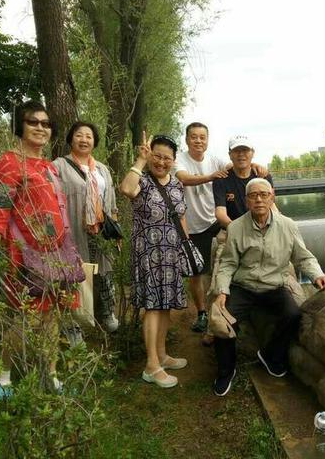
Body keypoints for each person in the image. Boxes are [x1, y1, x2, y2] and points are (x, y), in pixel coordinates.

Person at [0, 100, 80, 398]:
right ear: (19, 126)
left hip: (57, 254)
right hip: (25, 257)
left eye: (45, 124)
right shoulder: (9, 162)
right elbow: (1, 207)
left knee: (52, 317)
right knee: (24, 319)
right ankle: (1, 375)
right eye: (33, 122)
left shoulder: (48, 166)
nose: (40, 128)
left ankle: (51, 375)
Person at [211, 178, 325, 396]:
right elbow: (228, 263)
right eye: (253, 195)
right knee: (224, 322)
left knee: (293, 315)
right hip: (243, 286)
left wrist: (318, 275)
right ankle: (225, 371)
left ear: (272, 197)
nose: (258, 199)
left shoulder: (288, 225)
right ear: (246, 201)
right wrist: (222, 291)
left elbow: (303, 257)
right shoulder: (236, 227)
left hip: (274, 286)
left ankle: (270, 356)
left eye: (263, 194)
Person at [120, 133, 188, 388]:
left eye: (166, 158)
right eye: (156, 156)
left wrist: (186, 249)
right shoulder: (143, 181)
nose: (161, 162)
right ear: (150, 156)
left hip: (171, 254)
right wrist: (139, 161)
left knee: (165, 306)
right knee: (152, 306)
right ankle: (151, 366)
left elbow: (181, 217)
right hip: (148, 253)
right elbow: (126, 189)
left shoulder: (176, 185)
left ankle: (162, 354)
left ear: (173, 160)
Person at [52, 122, 119, 335]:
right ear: (71, 139)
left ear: (94, 141)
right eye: (79, 135)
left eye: (88, 136)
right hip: (72, 233)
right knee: (73, 277)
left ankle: (106, 314)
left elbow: (111, 202)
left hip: (100, 232)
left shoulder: (101, 169)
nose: (84, 139)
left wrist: (115, 232)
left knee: (104, 274)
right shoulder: (59, 166)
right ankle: (73, 328)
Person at [174, 122, 228, 333]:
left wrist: (258, 167)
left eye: (202, 137)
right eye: (194, 137)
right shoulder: (180, 160)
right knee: (197, 272)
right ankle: (202, 313)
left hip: (215, 220)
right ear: (187, 140)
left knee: (230, 259)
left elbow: (232, 166)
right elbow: (183, 179)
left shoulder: (214, 159)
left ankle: (226, 307)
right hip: (193, 226)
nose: (198, 141)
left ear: (207, 140)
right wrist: (211, 177)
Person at [213, 135, 275, 228]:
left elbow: (272, 205)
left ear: (252, 153)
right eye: (236, 151)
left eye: (245, 150)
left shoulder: (263, 176)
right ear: (230, 155)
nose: (241, 154)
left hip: (263, 228)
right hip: (232, 229)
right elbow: (220, 213)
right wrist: (238, 230)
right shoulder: (221, 180)